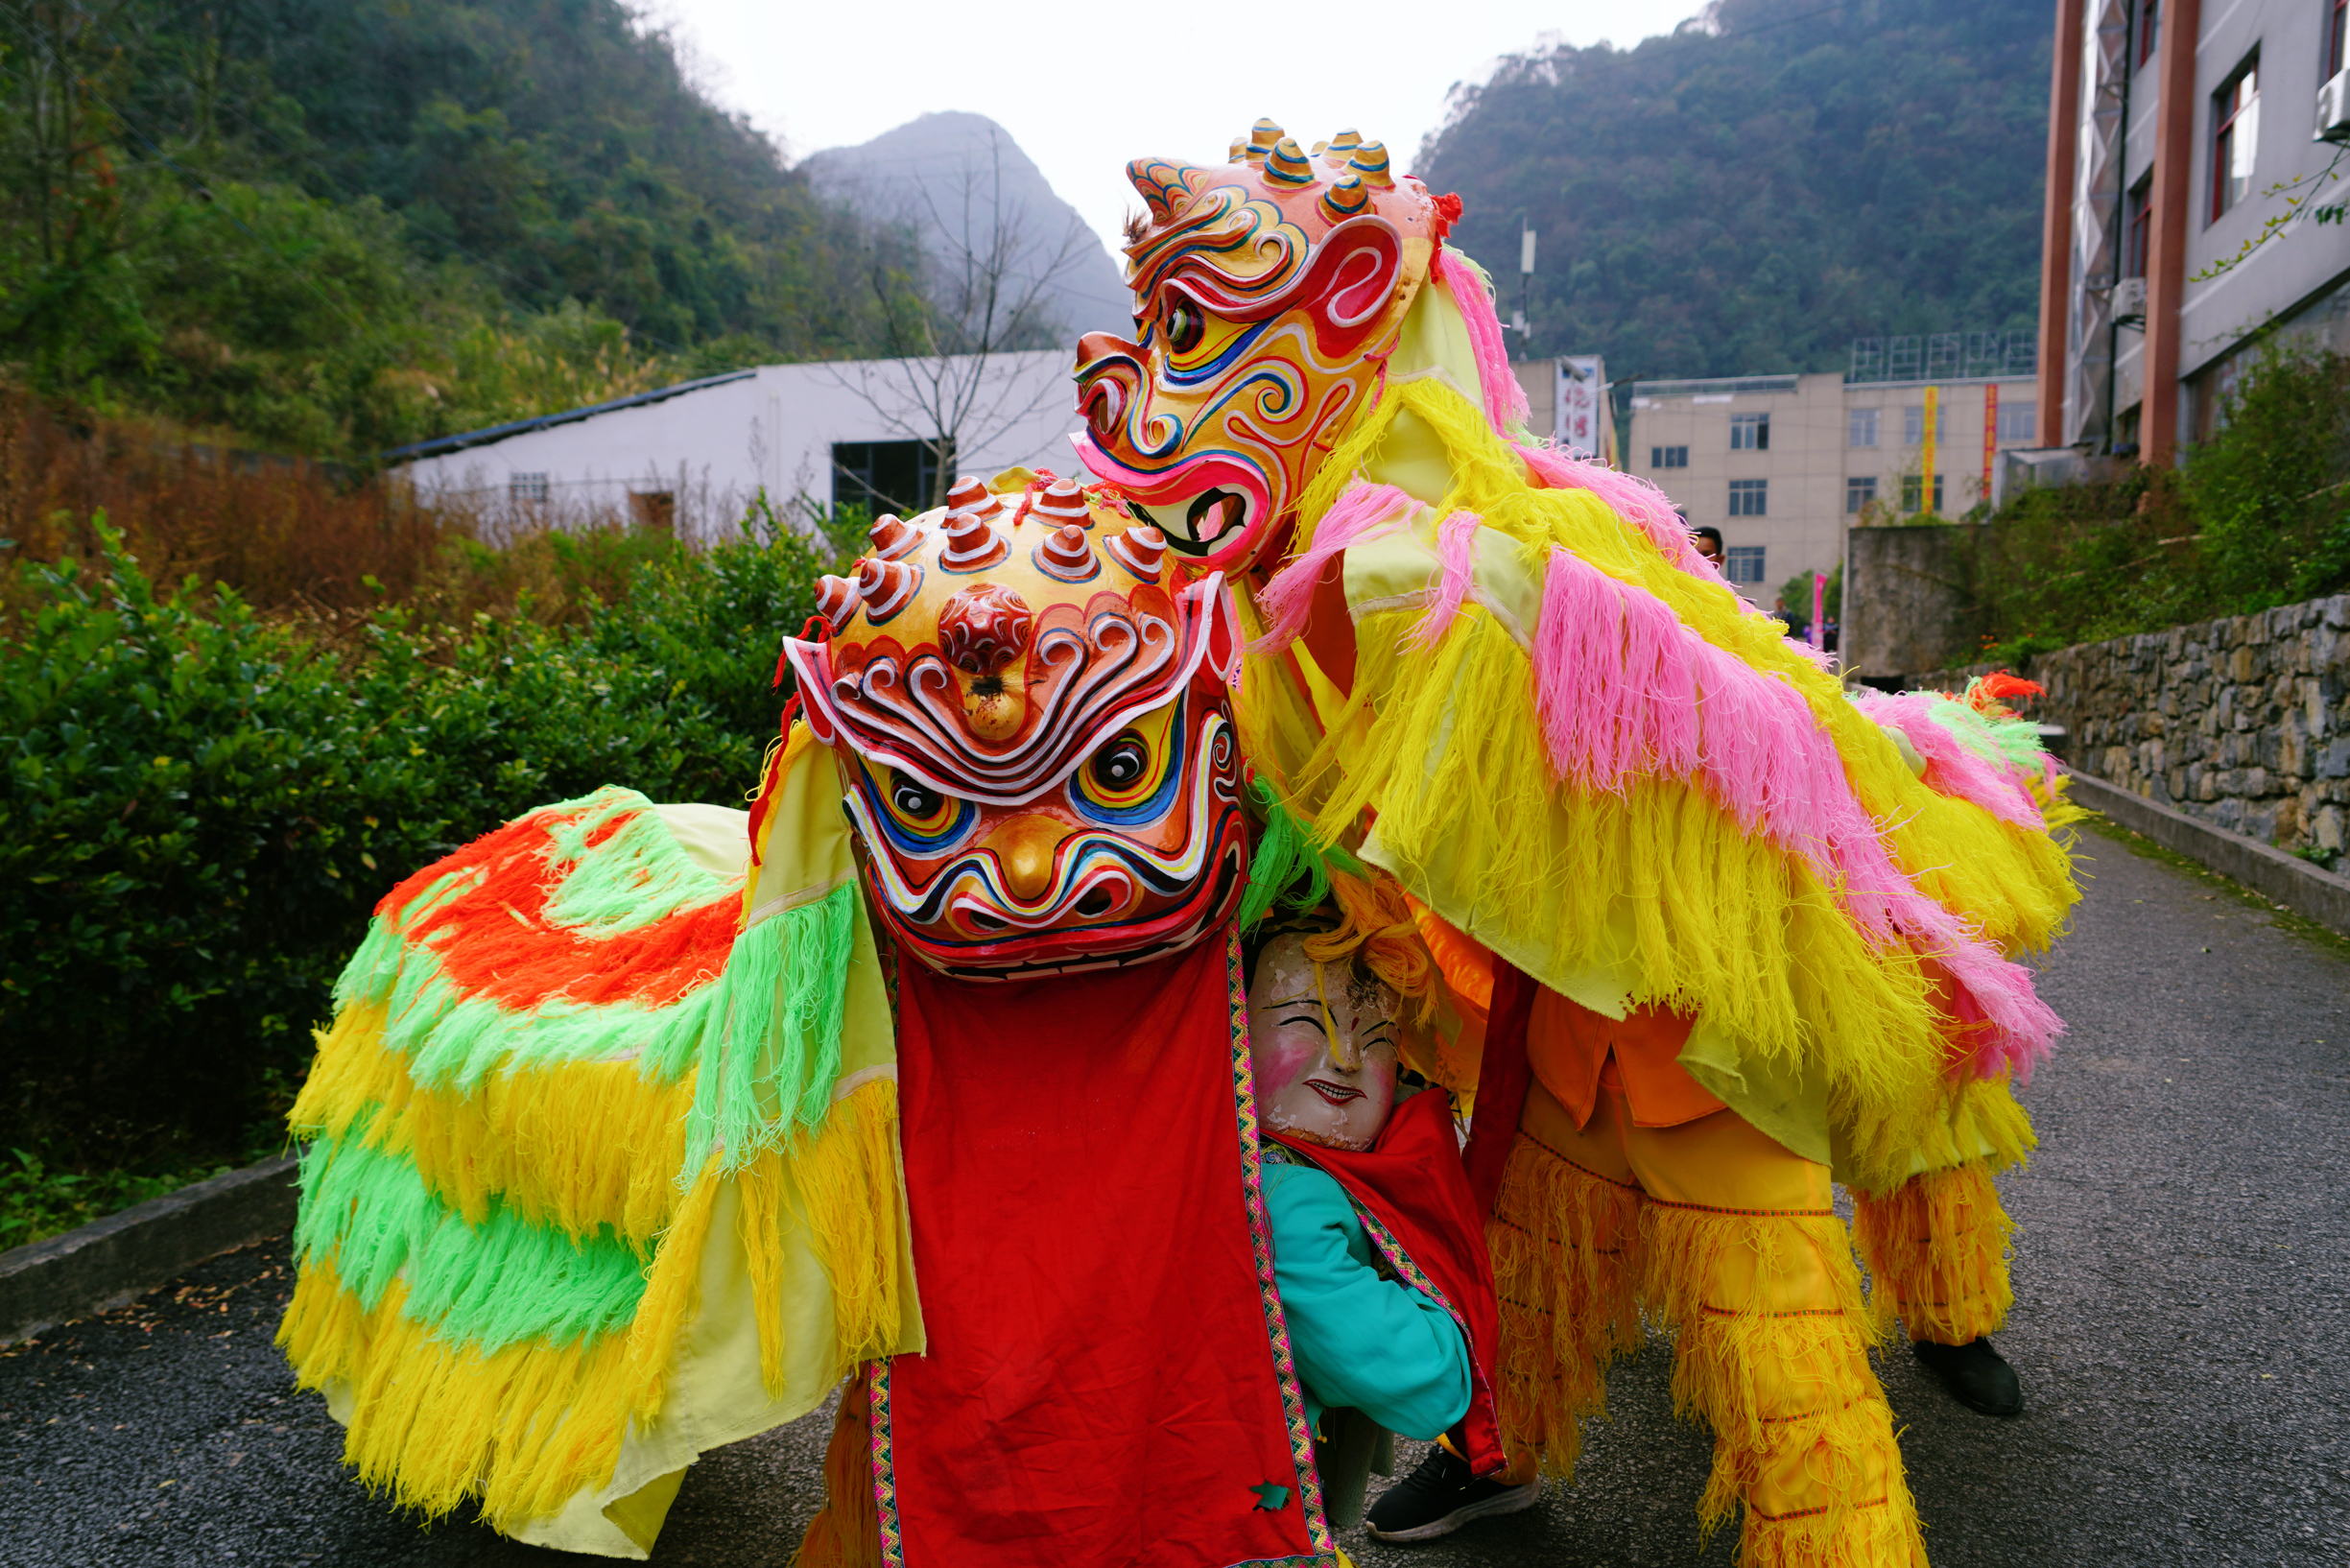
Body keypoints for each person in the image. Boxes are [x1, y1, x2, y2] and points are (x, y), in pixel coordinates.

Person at [1242, 873, 1520, 1540]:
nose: (1343, 1061)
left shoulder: (1227, 1153)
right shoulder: (1288, 1203)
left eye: (1377, 1040)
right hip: (1246, 1516)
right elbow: (1428, 1381)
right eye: (1305, 1023)